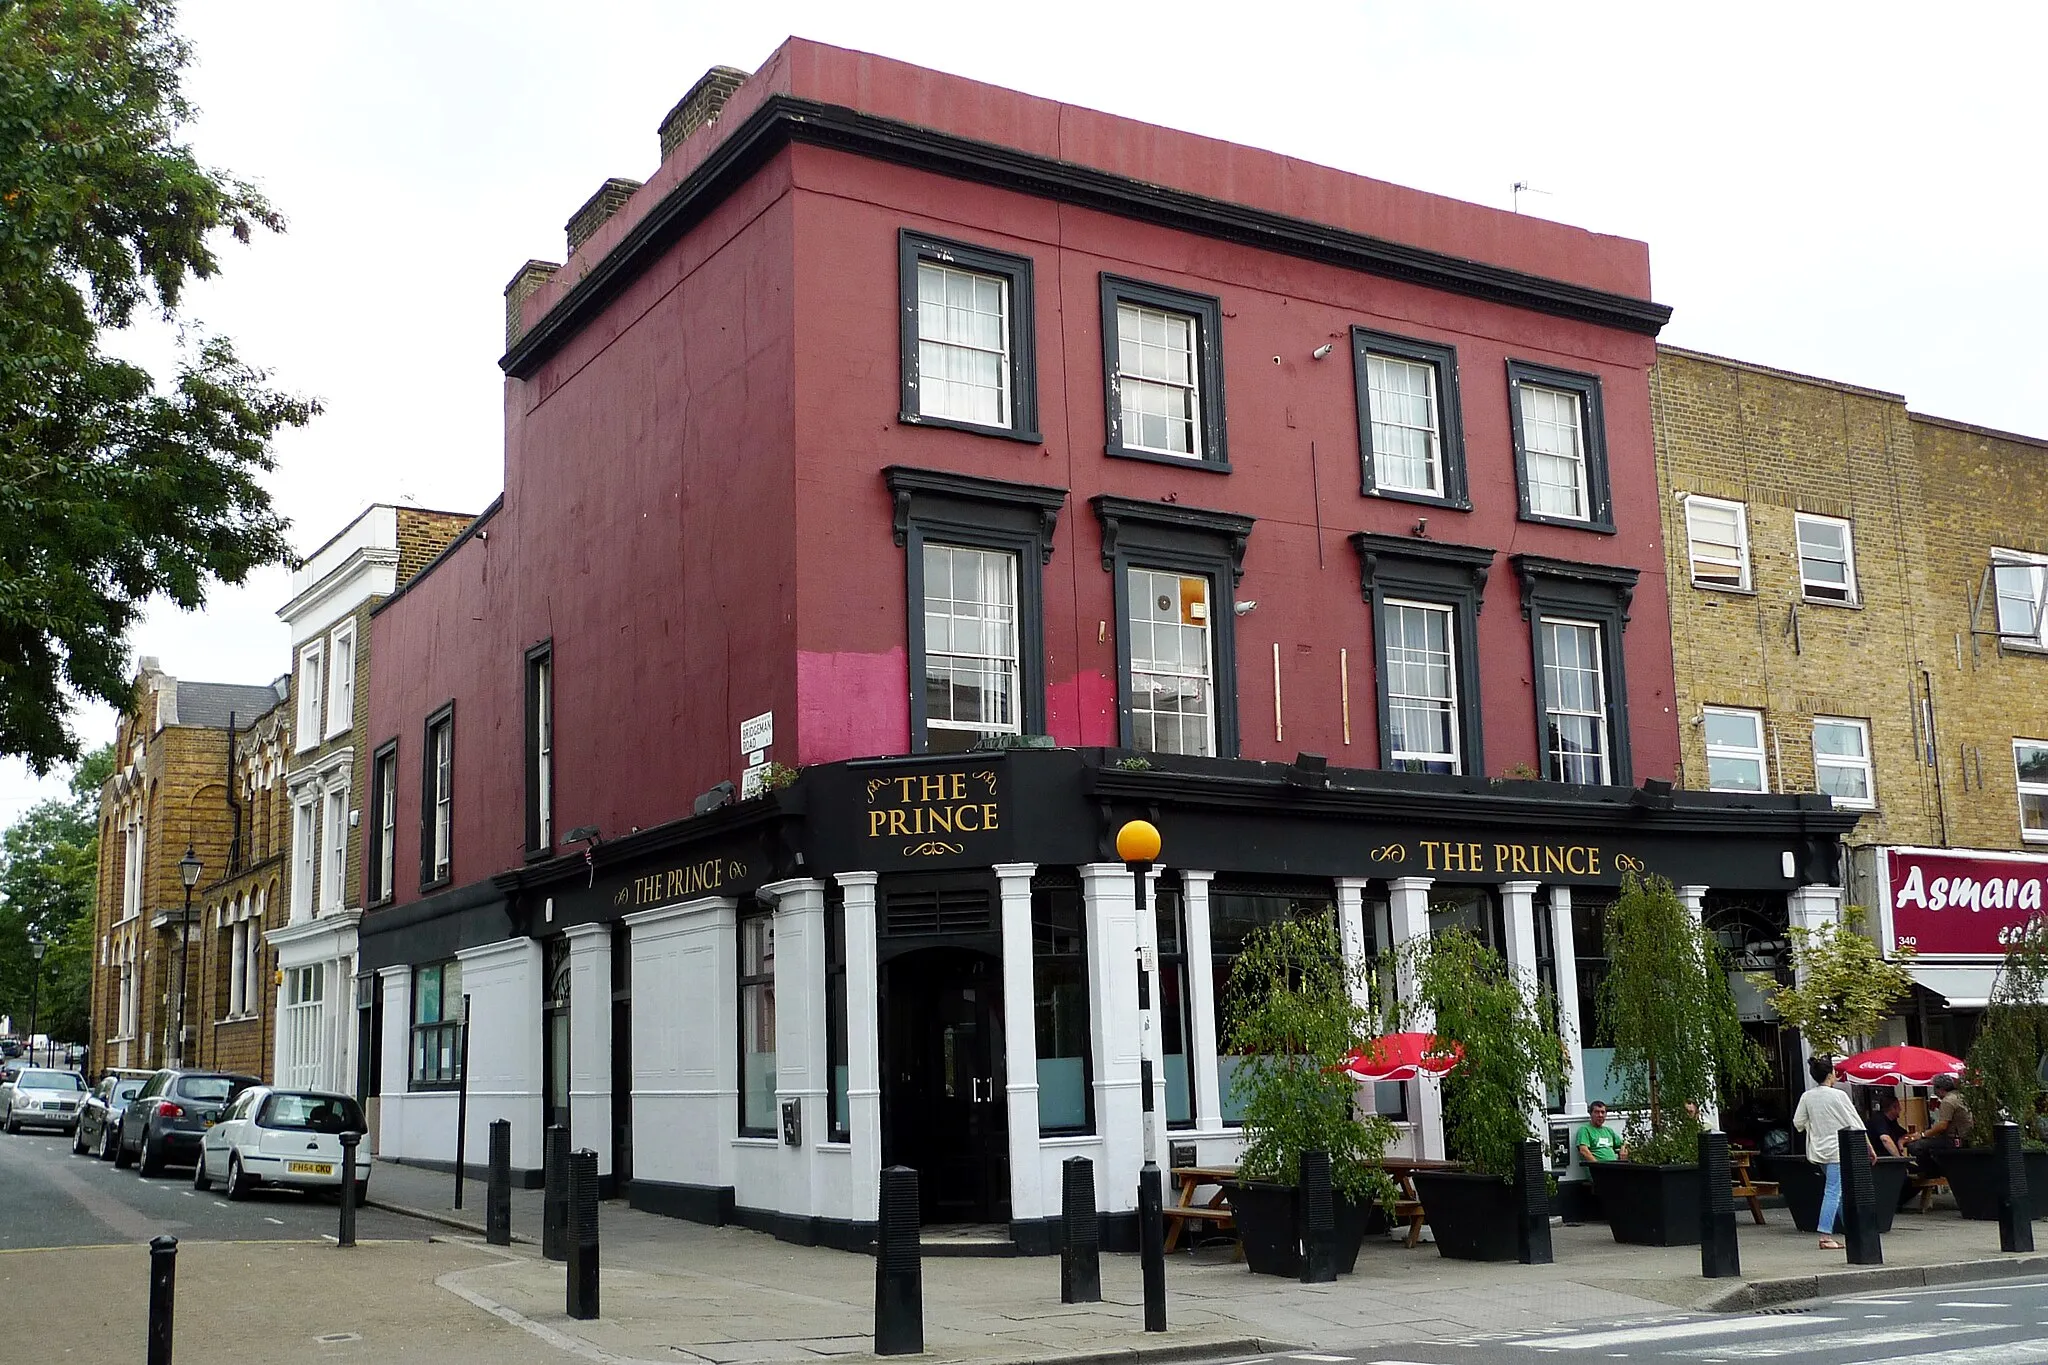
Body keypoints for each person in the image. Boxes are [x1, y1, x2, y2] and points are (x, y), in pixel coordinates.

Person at [1793, 1056, 1869, 1252]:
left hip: (1819, 1149)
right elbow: (1855, 1123)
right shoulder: (1839, 1096)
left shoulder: (1807, 1096)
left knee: (1838, 1190)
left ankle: (1851, 1228)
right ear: (1830, 1075)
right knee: (1834, 1191)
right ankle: (1825, 1235)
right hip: (1838, 1149)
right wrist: (1869, 1147)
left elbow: (1798, 1123)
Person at [1906, 1073, 1973, 1171]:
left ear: (1940, 1089)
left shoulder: (1947, 1101)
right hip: (1964, 1137)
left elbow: (1942, 1126)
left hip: (1954, 1140)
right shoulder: (1959, 1096)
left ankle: (1932, 1171)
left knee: (1915, 1146)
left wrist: (1923, 1134)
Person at [1868, 1093, 1910, 1158]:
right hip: (1881, 1160)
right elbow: (1885, 1139)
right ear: (1894, 1107)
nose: (1901, 1109)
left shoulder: (1892, 1121)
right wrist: (1899, 1160)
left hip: (1889, 1159)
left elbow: (1904, 1134)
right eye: (1899, 1106)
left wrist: (1901, 1141)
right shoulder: (1879, 1120)